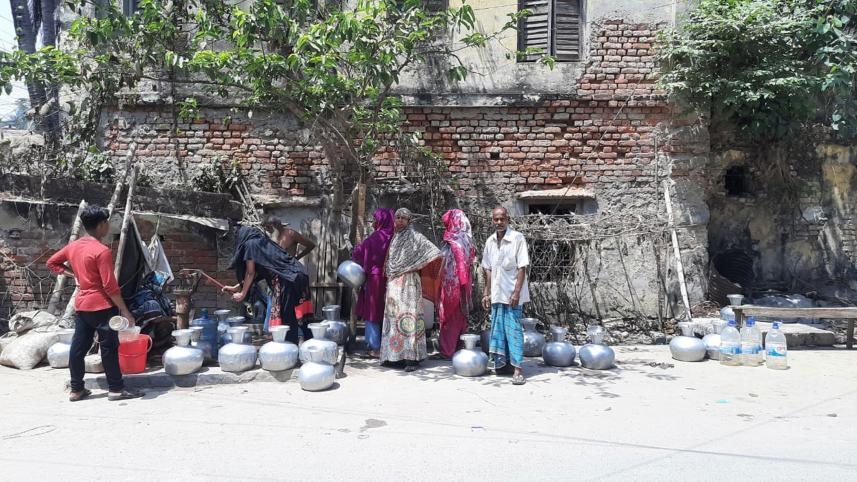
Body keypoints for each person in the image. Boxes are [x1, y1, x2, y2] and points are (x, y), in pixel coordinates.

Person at [46, 205, 144, 402]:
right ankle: (116, 389)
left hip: (82, 306)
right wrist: (125, 311)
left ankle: (76, 389)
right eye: (107, 222)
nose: (108, 226)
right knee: (109, 348)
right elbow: (110, 286)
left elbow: (52, 262)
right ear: (101, 225)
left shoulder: (73, 246)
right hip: (103, 307)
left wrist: (74, 274)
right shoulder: (102, 251)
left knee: (78, 348)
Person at [223, 225, 310, 344]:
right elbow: (256, 274)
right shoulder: (264, 243)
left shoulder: (249, 245)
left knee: (287, 322)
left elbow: (250, 272)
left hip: (287, 280)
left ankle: (291, 350)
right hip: (300, 275)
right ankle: (311, 347)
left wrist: (242, 294)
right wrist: (237, 287)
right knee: (302, 318)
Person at [381, 208, 441, 372]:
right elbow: (391, 261)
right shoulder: (395, 238)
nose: (400, 220)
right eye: (398, 217)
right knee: (394, 317)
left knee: (408, 317)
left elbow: (434, 252)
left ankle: (411, 359)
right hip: (394, 283)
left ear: (409, 221)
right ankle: (395, 357)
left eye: (403, 218)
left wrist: (415, 265)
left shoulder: (415, 237)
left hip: (409, 283)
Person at [481, 206, 530, 385]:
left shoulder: (517, 238)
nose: (499, 222)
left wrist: (516, 292)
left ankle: (518, 369)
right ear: (492, 220)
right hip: (497, 293)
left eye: (502, 218)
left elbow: (522, 267)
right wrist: (486, 292)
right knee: (499, 329)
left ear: (508, 219)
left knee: (514, 330)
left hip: (512, 294)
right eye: (496, 219)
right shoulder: (490, 241)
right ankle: (504, 364)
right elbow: (488, 269)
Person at [351, 208, 395, 358]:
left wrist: (356, 249)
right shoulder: (396, 237)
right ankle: (391, 345)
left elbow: (358, 253)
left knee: (373, 311)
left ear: (381, 221)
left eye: (375, 219)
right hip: (393, 278)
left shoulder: (376, 237)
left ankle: (374, 347)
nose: (373, 222)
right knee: (390, 311)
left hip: (376, 279)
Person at [437, 209, 475, 359]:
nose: (445, 227)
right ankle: (458, 346)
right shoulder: (467, 240)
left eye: (447, 223)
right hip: (463, 285)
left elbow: (449, 262)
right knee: (460, 315)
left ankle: (447, 350)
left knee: (449, 316)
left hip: (452, 285)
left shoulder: (454, 241)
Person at [263, 216, 316, 322]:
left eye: (268, 227)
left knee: (292, 305)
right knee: (273, 306)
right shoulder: (270, 238)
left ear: (275, 225)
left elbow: (310, 245)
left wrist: (296, 258)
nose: (267, 230)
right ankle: (276, 329)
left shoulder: (291, 234)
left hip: (290, 275)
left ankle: (297, 326)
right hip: (276, 276)